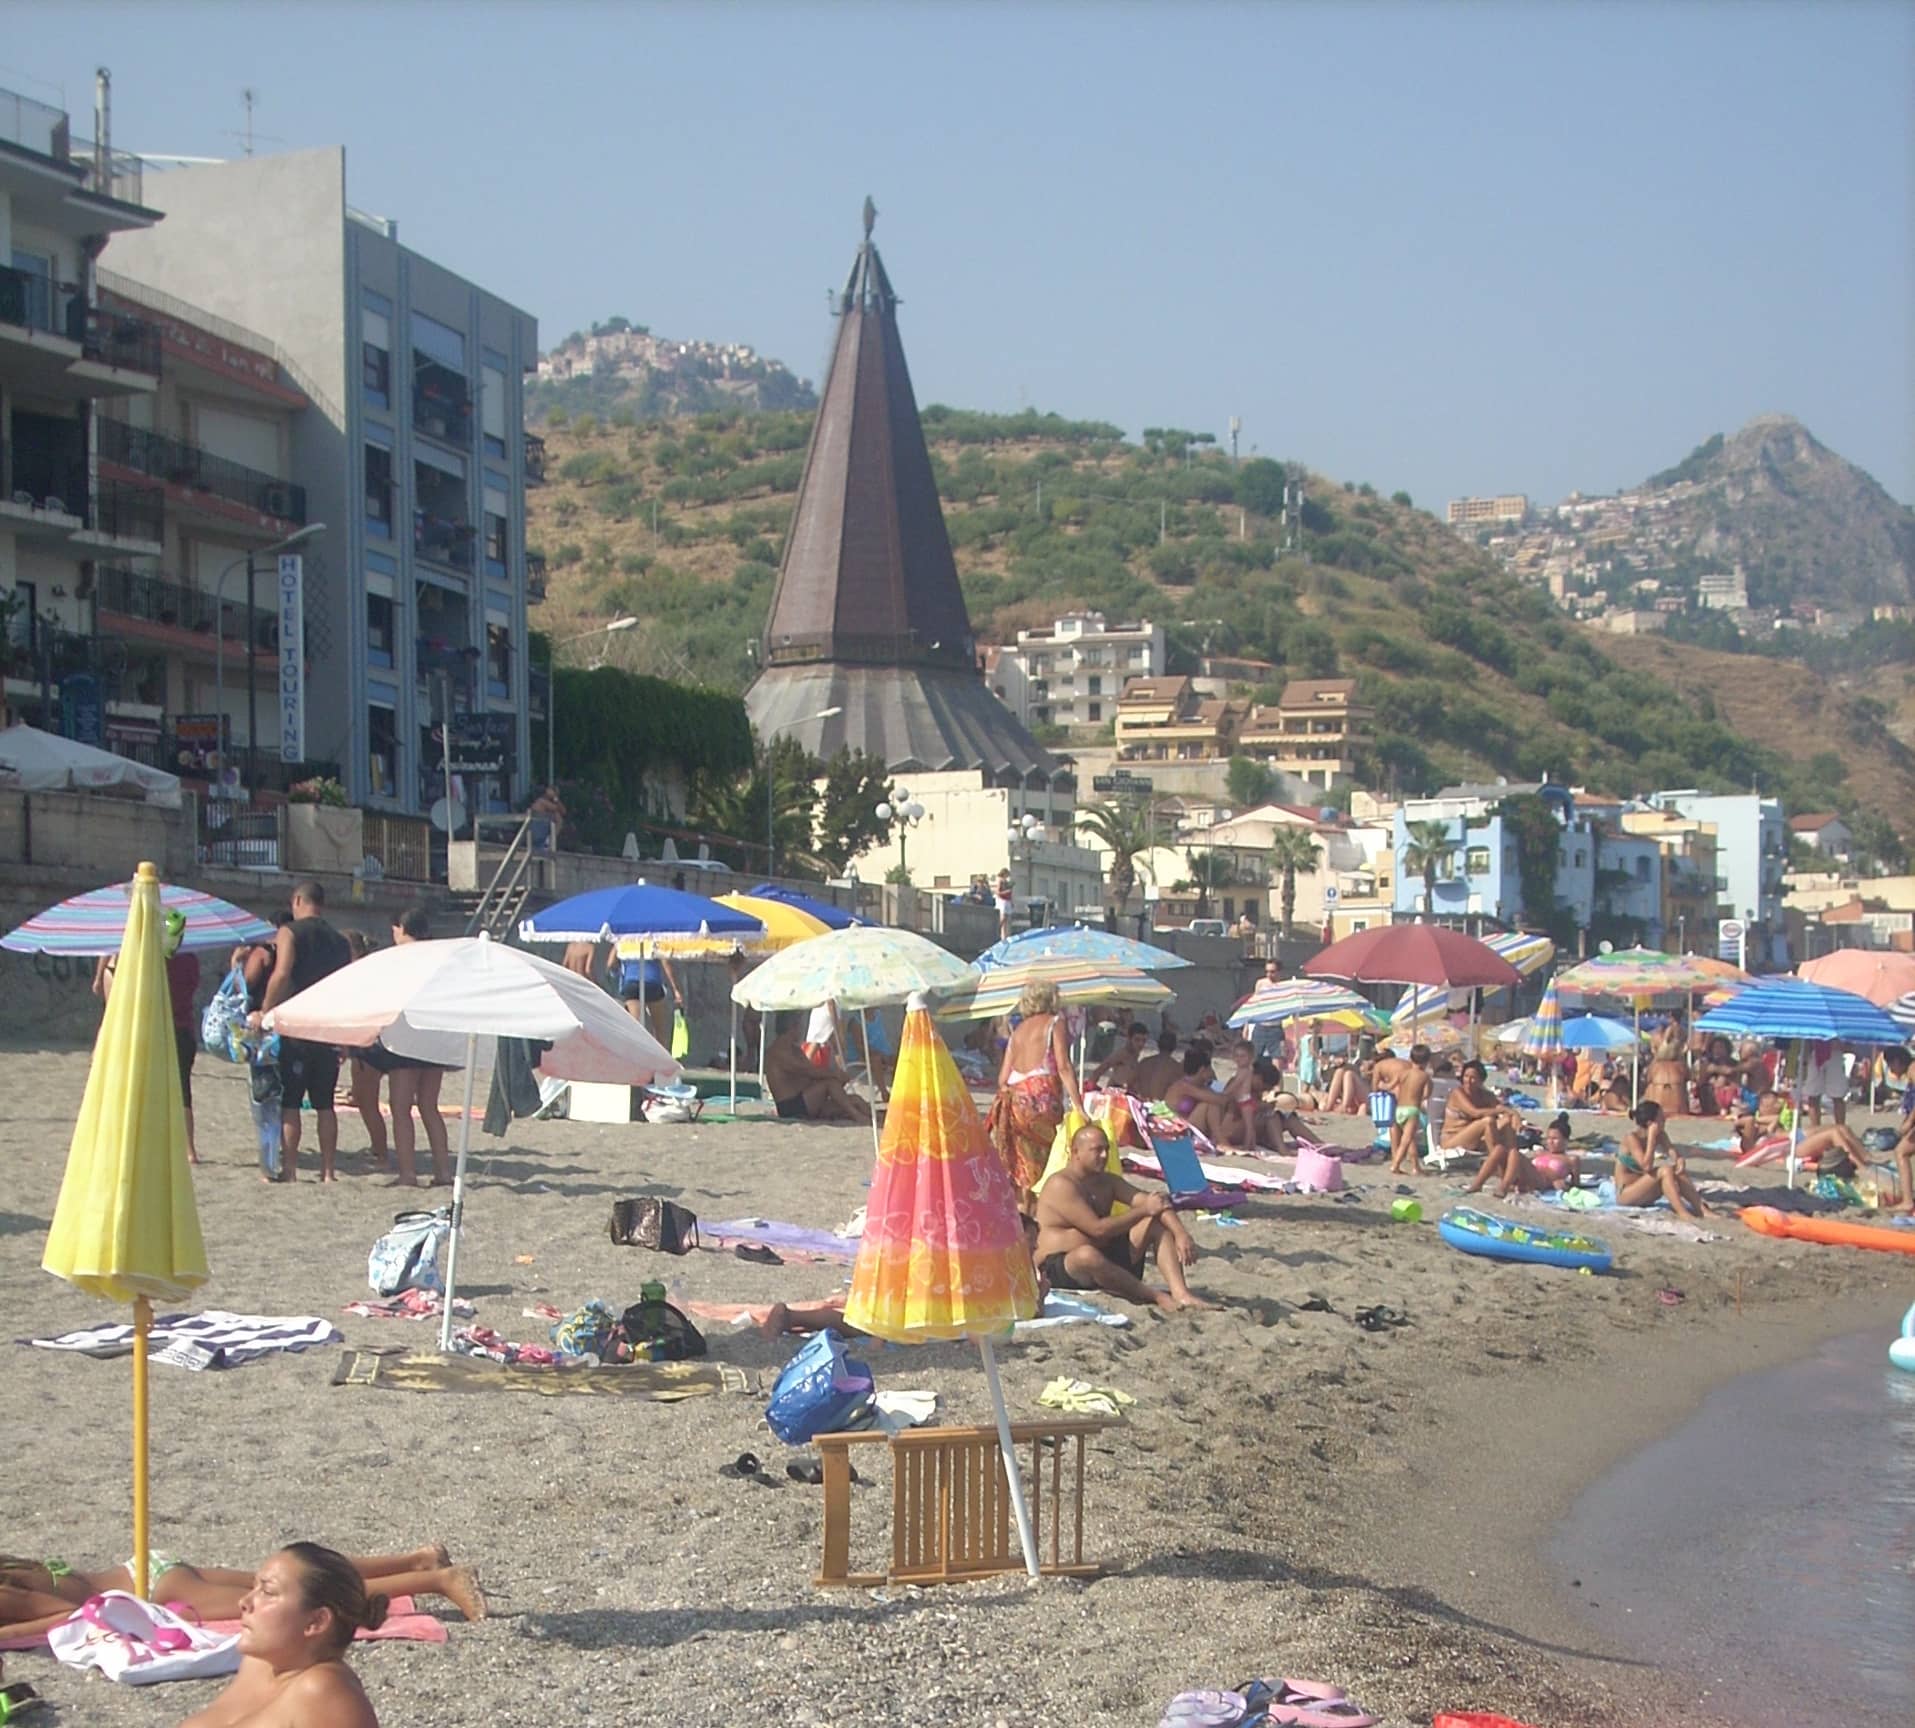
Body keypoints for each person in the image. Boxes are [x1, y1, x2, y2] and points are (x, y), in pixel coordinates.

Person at [0, 1542, 483, 1645]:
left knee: (295, 1594)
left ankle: (437, 1579)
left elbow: (68, 1614)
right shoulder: (9, 1566)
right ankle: (417, 1558)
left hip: (155, 1590)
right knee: (280, 1576)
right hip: (147, 1567)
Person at [1032, 1124, 1214, 1311]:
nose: (1104, 1156)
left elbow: (1156, 1202)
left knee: (1154, 1224)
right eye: (1097, 1150)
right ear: (1076, 1152)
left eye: (1107, 1149)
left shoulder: (1108, 1182)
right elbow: (1097, 1229)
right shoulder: (1061, 1184)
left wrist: (1181, 1233)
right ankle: (1154, 1295)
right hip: (1061, 1265)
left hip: (1106, 1256)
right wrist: (1144, 1210)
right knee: (1087, 1255)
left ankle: (1181, 1293)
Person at [257, 882, 353, 1183]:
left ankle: (290, 1169)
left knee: (291, 1103)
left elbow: (282, 973)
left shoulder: (290, 932)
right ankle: (328, 1171)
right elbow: (345, 986)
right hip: (326, 1028)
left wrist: (265, 1010)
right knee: (325, 1105)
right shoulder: (340, 941)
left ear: (298, 900)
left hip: (297, 1027)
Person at [95, 909, 204, 1164]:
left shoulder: (151, 961)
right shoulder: (190, 959)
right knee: (182, 1091)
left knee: (139, 1089)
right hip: (183, 1029)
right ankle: (189, 1150)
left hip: (156, 1030)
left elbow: (119, 988)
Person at [364, 908, 452, 1186]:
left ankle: (408, 1173)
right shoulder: (438, 957)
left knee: (400, 1107)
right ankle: (443, 1172)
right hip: (434, 1036)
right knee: (429, 1106)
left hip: (406, 1037)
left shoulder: (397, 958)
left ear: (401, 927)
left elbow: (386, 996)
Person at [987, 981, 1086, 1206]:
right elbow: (1063, 1066)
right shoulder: (1055, 1023)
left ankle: (1025, 1216)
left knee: (1023, 1165)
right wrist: (1079, 1106)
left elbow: (1002, 1079)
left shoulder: (1018, 1031)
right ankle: (1040, 1218)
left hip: (1014, 1103)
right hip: (1041, 1101)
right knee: (1046, 1163)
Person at [341, 930, 390, 1173]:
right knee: (365, 1100)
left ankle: (381, 1151)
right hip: (373, 1041)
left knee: (367, 1102)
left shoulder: (356, 973)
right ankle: (378, 1148)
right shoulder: (373, 969)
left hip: (368, 1043)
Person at [1614, 1100, 1711, 1221]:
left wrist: (1679, 1160)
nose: (1664, 1121)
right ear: (1650, 1123)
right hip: (1626, 1195)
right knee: (1664, 1170)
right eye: (1661, 1118)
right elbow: (1646, 1167)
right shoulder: (1631, 1139)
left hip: (1645, 1192)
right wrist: (1651, 1139)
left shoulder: (1661, 1135)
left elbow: (1673, 1153)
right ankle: (1682, 1212)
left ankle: (1701, 1209)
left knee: (1676, 1172)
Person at [763, 1021, 871, 1124]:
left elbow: (811, 1071)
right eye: (798, 1027)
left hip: (807, 1100)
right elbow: (808, 1071)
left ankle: (878, 1119)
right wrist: (834, 1074)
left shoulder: (794, 1049)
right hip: (791, 1106)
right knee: (829, 1083)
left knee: (856, 1100)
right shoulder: (779, 1052)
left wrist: (837, 1077)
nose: (801, 1031)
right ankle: (858, 1116)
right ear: (792, 1028)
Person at [1163, 1047, 1254, 1150]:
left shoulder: (1201, 1087)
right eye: (1210, 1068)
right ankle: (1222, 1142)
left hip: (1189, 1127)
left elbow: (1222, 1100)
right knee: (1208, 1104)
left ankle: (1220, 1140)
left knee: (1214, 1104)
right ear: (1203, 1070)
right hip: (1175, 1129)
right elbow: (1220, 1100)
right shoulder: (1183, 1086)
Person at [1440, 1059, 1521, 1165]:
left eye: (1473, 1077)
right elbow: (1475, 1112)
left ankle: (1512, 1157)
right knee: (1488, 1121)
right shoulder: (1458, 1093)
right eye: (1466, 1076)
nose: (1468, 1080)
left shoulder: (1485, 1095)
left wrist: (1515, 1115)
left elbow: (1502, 1108)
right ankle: (1495, 1162)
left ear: (1481, 1080)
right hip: (1452, 1139)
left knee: (1507, 1119)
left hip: (1475, 1139)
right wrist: (1502, 1110)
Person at [616, 946, 682, 1049]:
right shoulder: (653, 936)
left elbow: (610, 964)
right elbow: (665, 963)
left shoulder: (623, 938)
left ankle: (637, 1058)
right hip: (652, 982)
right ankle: (661, 1059)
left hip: (631, 984)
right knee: (660, 1029)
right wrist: (676, 989)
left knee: (636, 1028)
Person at [1389, 1044, 1433, 1176]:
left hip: (1399, 1109)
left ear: (1410, 1058)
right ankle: (1395, 1165)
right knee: (1406, 1140)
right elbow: (1427, 1094)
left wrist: (1381, 1085)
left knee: (1411, 1140)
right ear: (1427, 1061)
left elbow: (1391, 1085)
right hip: (1412, 1110)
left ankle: (1416, 1167)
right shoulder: (1424, 1076)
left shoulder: (1403, 1073)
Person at [1643, 1016, 1689, 1117]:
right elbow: (1690, 1077)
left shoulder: (1655, 1066)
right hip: (1678, 1108)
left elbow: (1647, 1079)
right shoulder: (1680, 1065)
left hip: (1657, 1106)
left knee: (1650, 1086)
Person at [1798, 1038, 1849, 1129]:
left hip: (1834, 1050)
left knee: (1837, 1095)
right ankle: (1815, 1129)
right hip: (1813, 1050)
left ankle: (1841, 1128)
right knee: (1813, 1094)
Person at [1089, 1022, 1151, 1092]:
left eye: (1144, 1040)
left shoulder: (1137, 1056)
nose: (1141, 1044)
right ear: (1129, 1038)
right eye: (1137, 1040)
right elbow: (1101, 1068)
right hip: (1115, 1091)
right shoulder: (1122, 1054)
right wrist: (1090, 1088)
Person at [1127, 1029, 1183, 1102]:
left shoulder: (1144, 1062)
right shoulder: (1177, 1068)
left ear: (1158, 1044)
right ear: (1174, 1046)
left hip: (1140, 1104)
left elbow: (1131, 1084)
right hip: (1159, 1109)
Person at [994, 869, 1015, 940]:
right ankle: (1000, 933)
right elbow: (997, 892)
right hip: (1002, 900)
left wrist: (1011, 901)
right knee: (1003, 917)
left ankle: (1006, 935)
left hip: (1007, 900)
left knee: (1008, 918)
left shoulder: (1006, 881)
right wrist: (1006, 892)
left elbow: (1010, 893)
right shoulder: (1000, 881)